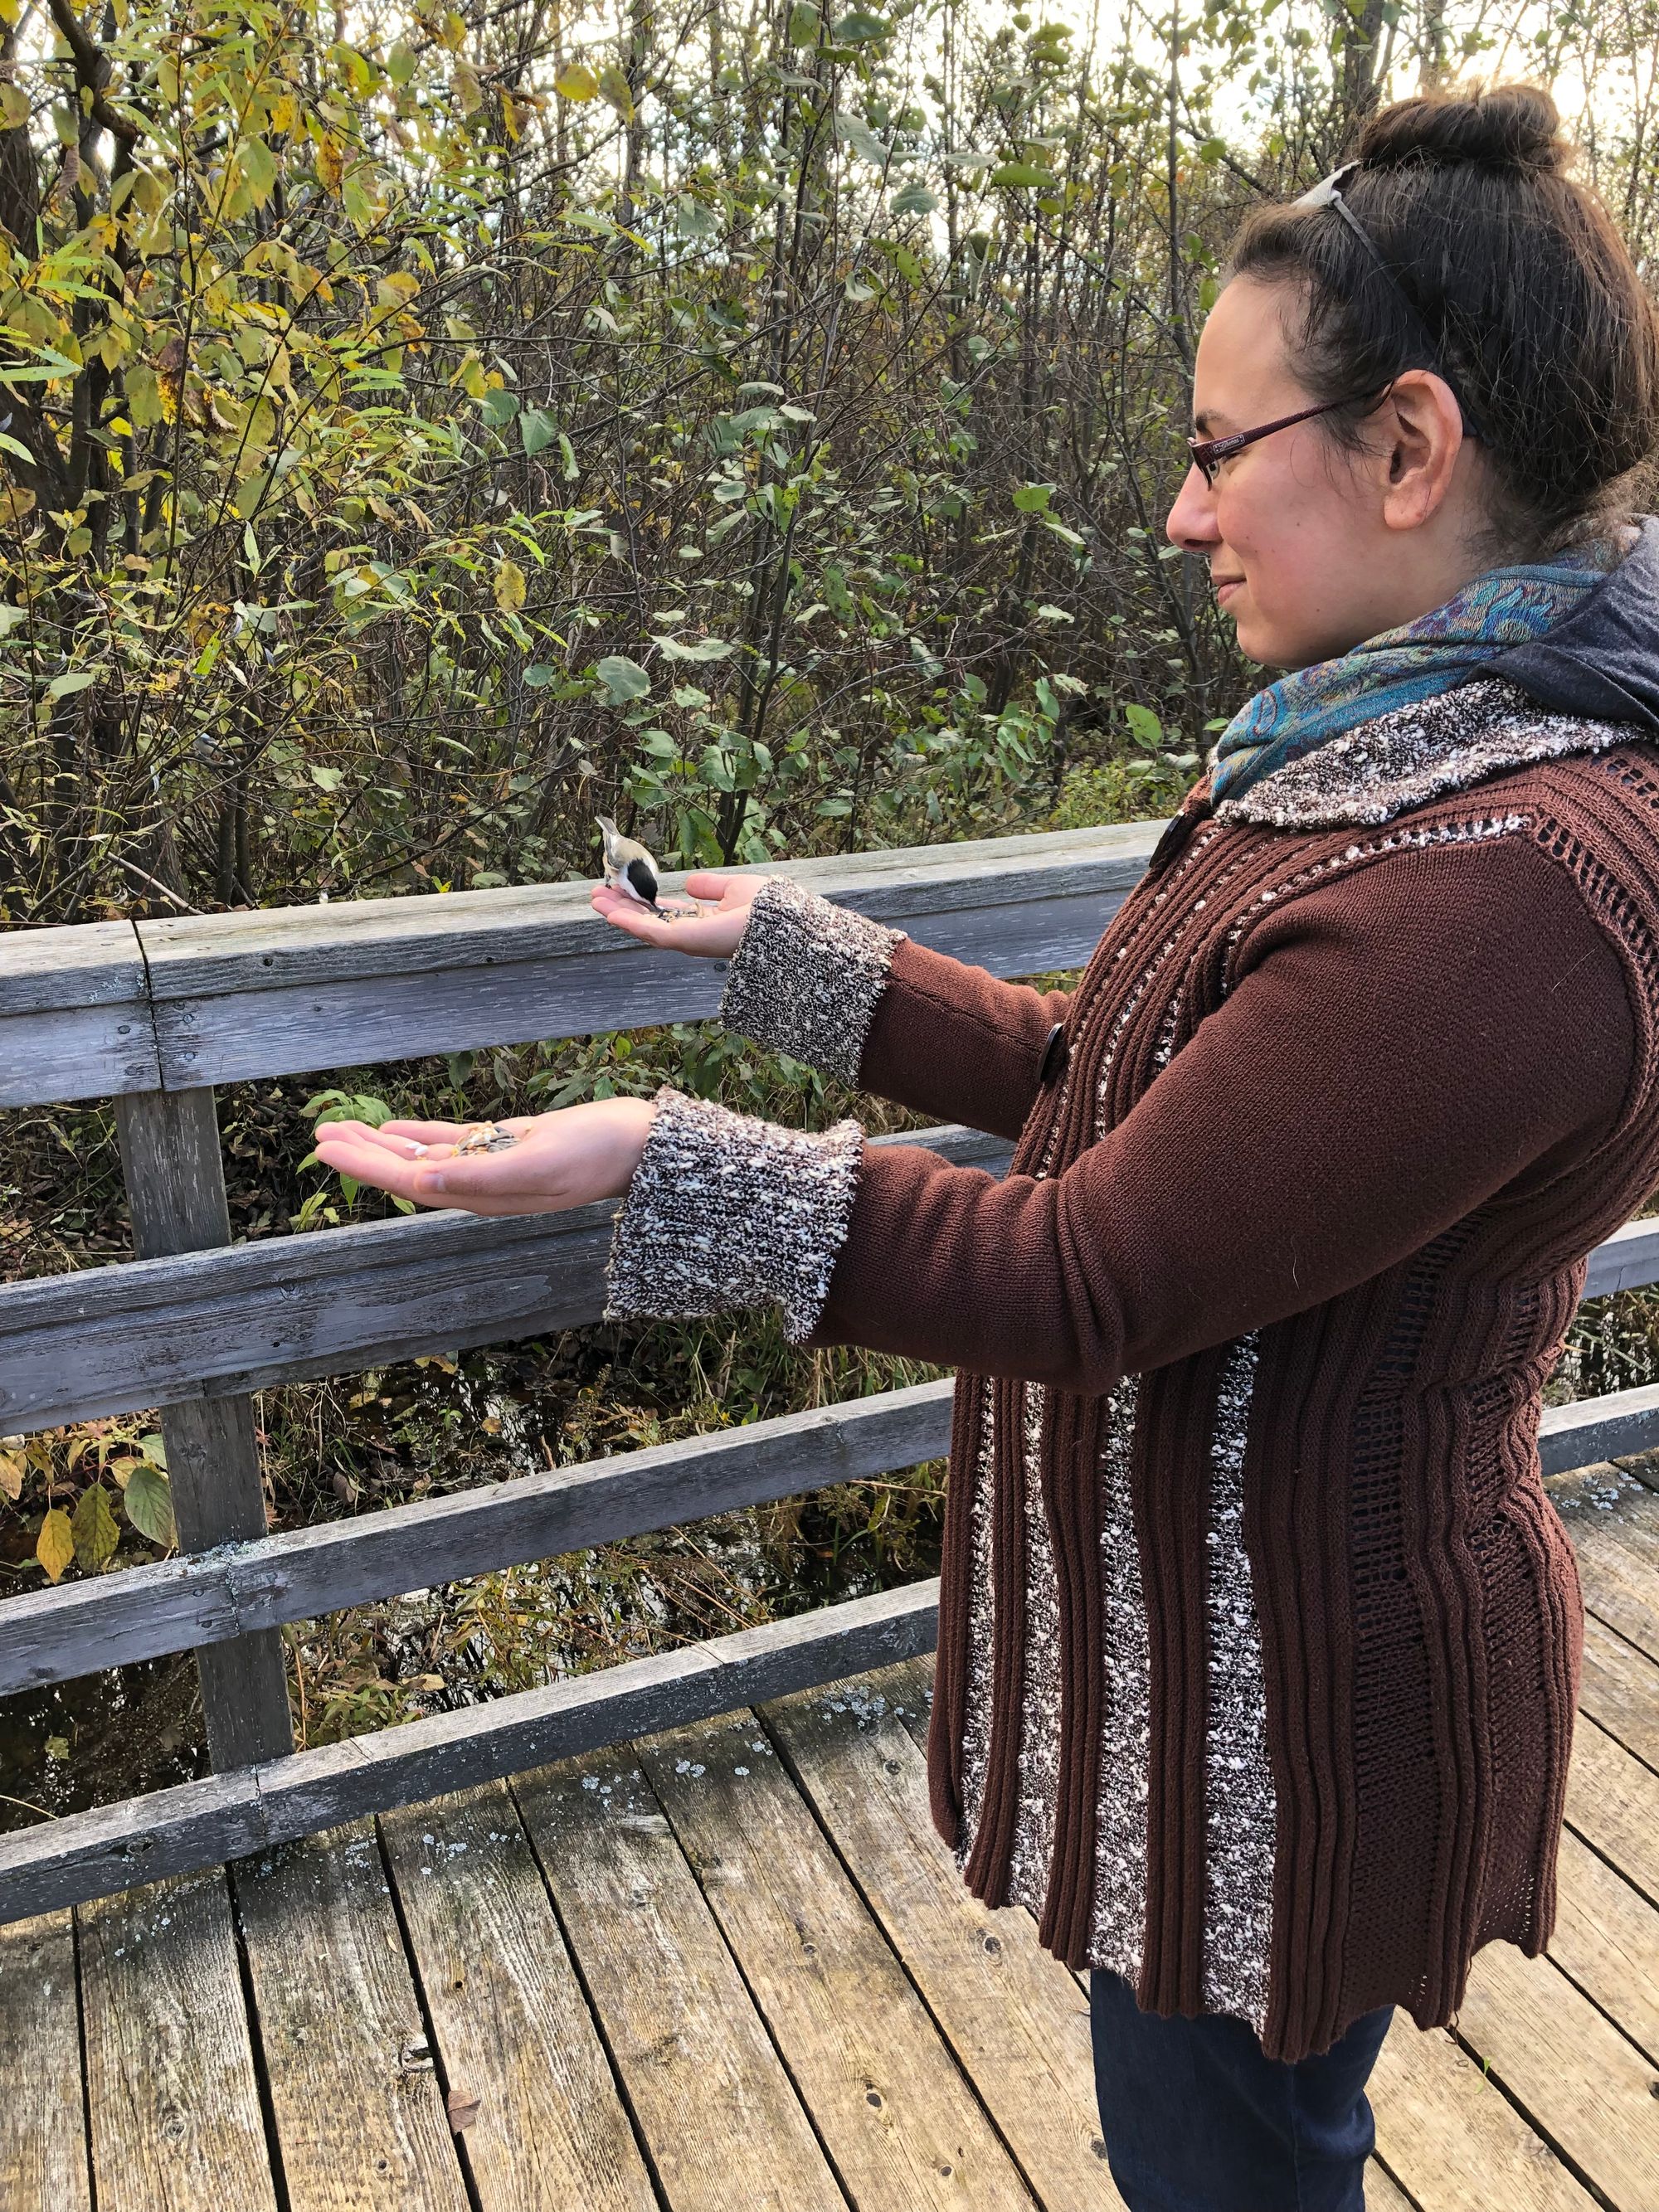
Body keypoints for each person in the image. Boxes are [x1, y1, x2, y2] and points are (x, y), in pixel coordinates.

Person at [316, 81, 1659, 2212]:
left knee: (1237, 2170)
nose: (1178, 511)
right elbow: (1123, 1075)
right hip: (1213, 1699)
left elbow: (1093, 1266)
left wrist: (662, 1162)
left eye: (1220, 450)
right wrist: (798, 958)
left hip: (1288, 1739)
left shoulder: (1502, 876)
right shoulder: (1394, 757)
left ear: (1408, 448)